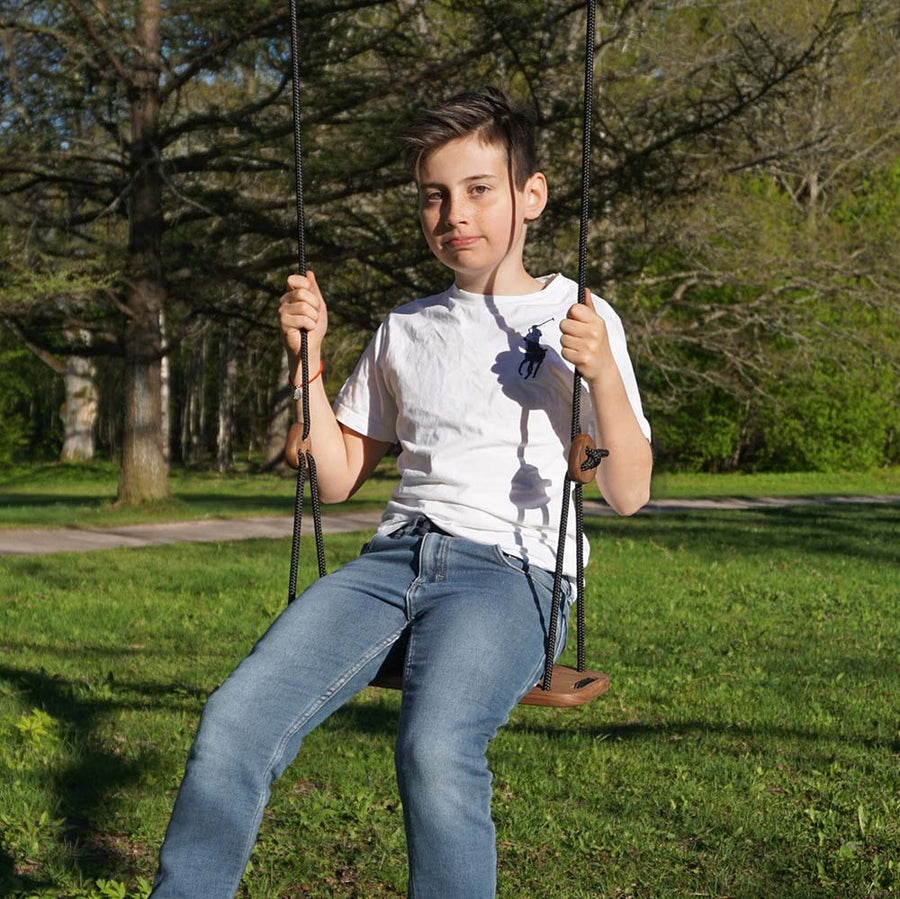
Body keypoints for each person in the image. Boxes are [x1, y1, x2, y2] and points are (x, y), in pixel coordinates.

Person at [149, 87, 652, 899]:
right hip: (391, 561)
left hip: (512, 572)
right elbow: (339, 472)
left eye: (479, 189)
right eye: (435, 195)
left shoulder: (577, 316)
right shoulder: (404, 329)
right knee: (234, 718)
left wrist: (596, 376)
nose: (456, 214)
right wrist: (305, 357)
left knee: (434, 744)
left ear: (532, 194)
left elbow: (629, 491)